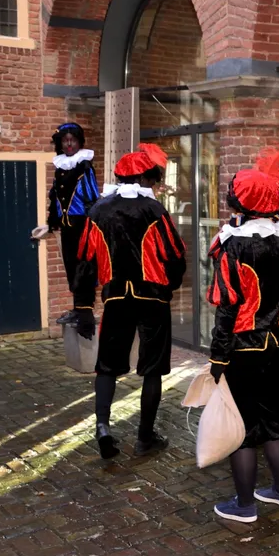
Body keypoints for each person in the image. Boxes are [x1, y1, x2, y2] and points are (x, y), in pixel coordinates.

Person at [207, 143, 279, 523]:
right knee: (276, 421)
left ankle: (245, 504)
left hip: (243, 347)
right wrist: (278, 327)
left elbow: (227, 307)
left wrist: (218, 357)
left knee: (244, 428)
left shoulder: (234, 247)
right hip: (275, 344)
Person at [73, 143, 185, 460]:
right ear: (146, 178)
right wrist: (169, 286)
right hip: (152, 299)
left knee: (107, 366)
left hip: (116, 298)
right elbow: (175, 255)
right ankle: (145, 438)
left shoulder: (99, 211)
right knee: (152, 369)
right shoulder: (154, 211)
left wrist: (83, 306)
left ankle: (103, 427)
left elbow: (85, 260)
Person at [42, 123, 100, 325]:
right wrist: (51, 223)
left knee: (84, 267)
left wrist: (93, 224)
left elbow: (92, 197)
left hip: (82, 224)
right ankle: (78, 308)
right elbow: (55, 198)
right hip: (67, 226)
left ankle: (85, 311)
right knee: (71, 267)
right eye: (65, 141)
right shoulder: (60, 168)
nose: (69, 144)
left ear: (79, 142)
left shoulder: (84, 166)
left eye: (72, 140)